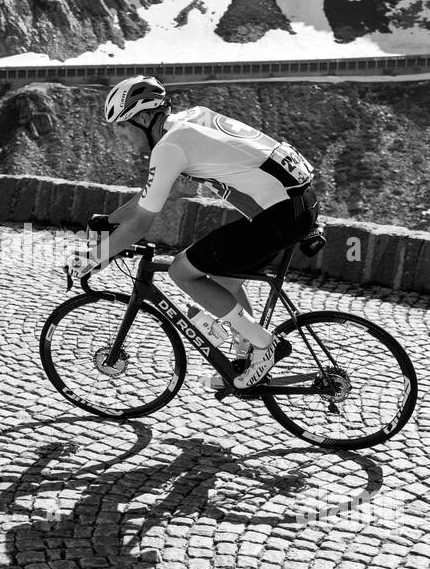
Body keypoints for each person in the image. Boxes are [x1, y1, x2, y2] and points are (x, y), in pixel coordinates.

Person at [68, 75, 319, 389]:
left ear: (145, 118)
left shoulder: (170, 148)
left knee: (182, 271)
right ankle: (246, 350)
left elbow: (143, 222)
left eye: (123, 124)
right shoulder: (191, 120)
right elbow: (151, 193)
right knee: (221, 282)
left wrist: (96, 256)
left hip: (279, 216)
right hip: (300, 202)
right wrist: (110, 220)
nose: (121, 134)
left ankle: (264, 344)